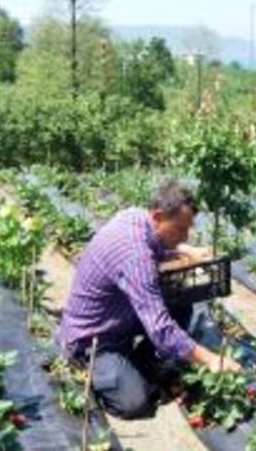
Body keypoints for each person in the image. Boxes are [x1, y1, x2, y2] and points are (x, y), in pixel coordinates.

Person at [56, 179, 240, 419]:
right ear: (157, 215)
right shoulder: (136, 256)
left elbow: (156, 247)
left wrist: (186, 250)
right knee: (135, 403)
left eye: (188, 228)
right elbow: (161, 328)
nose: (186, 234)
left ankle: (135, 364)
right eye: (180, 228)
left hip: (118, 318)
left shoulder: (135, 218)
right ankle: (106, 369)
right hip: (93, 340)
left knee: (181, 306)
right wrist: (211, 360)